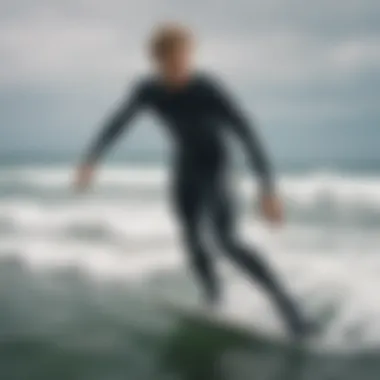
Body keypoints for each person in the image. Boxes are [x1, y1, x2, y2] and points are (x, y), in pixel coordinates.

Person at [74, 23, 309, 337]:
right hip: (185, 168)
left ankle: (289, 309)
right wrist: (92, 158)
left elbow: (247, 133)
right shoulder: (148, 90)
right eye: (173, 62)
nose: (181, 68)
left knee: (226, 241)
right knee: (191, 240)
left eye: (186, 60)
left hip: (217, 167)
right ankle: (215, 298)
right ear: (157, 62)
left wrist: (267, 189)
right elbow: (118, 122)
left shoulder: (207, 88)